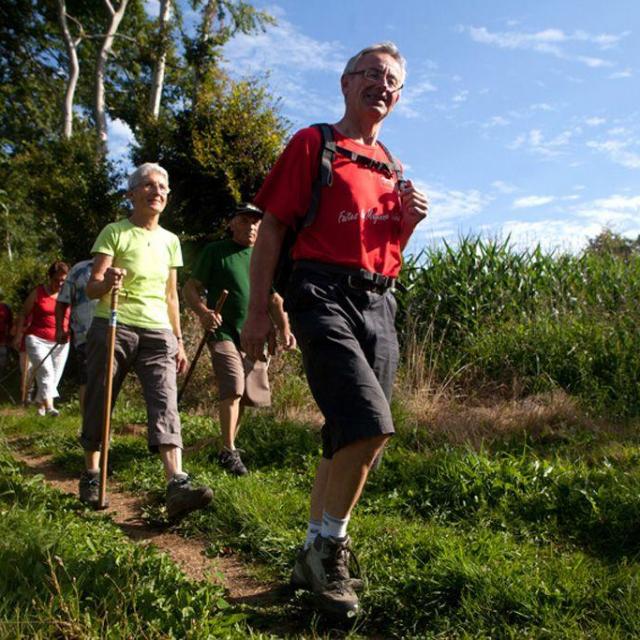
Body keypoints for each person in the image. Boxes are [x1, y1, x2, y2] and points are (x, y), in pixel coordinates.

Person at [241, 42, 429, 618]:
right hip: (321, 292)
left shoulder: (392, 165)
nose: (383, 85)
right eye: (372, 74)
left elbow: (387, 251)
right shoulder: (314, 143)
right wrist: (257, 311)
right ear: (346, 83)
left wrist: (411, 223)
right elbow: (272, 229)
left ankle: (310, 553)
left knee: (347, 436)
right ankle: (331, 548)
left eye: (393, 80)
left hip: (380, 301)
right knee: (369, 425)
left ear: (399, 97)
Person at [78, 162, 213, 519]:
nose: (158, 192)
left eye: (163, 187)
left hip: (158, 331)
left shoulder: (171, 241)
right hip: (113, 324)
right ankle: (92, 473)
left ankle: (176, 483)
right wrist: (108, 283)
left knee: (165, 402)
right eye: (149, 186)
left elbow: (171, 295)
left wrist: (179, 340)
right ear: (132, 194)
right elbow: (92, 286)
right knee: (100, 397)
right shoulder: (115, 232)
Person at [183, 203, 295, 476]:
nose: (252, 226)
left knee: (246, 394)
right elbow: (190, 288)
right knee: (233, 384)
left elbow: (274, 299)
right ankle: (230, 451)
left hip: (253, 335)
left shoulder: (262, 256)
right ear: (231, 224)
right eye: (244, 221)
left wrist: (285, 329)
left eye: (256, 222)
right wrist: (204, 312)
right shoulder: (215, 252)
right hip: (222, 330)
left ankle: (226, 447)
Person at [13, 262, 71, 416]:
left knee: (55, 376)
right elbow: (24, 313)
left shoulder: (69, 295)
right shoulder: (38, 292)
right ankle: (51, 407)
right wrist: (19, 335)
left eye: (63, 280)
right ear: (49, 278)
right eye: (56, 280)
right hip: (36, 339)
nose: (59, 283)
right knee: (46, 371)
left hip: (62, 342)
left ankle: (40, 404)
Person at [55, 258, 97, 416]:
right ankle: (88, 425)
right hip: (85, 334)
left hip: (118, 335)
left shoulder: (124, 265)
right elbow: (62, 302)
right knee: (87, 378)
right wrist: (60, 329)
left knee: (108, 381)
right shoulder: (80, 270)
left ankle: (106, 424)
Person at [0, 291, 12, 375]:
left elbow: (9, 323)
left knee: (2, 358)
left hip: (3, 339)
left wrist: (8, 338)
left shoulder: (5, 307)